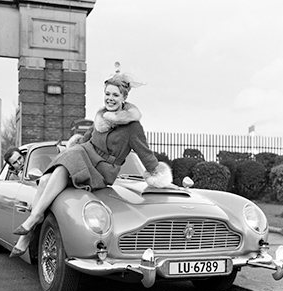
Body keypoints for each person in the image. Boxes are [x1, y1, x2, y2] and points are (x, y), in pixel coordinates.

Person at [10, 73, 175, 258]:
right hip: (83, 155)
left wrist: (157, 174)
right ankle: (31, 228)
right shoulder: (101, 116)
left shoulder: (132, 126)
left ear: (124, 98)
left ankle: (33, 219)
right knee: (45, 179)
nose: (110, 99)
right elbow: (85, 139)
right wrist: (73, 145)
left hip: (102, 170)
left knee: (72, 155)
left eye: (115, 95)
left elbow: (145, 153)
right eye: (107, 94)